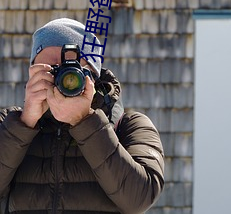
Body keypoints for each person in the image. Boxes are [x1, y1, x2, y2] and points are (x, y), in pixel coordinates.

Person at [0, 18, 164, 214]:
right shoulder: (9, 124)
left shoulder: (130, 126)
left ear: (93, 75)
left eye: (70, 71)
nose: (59, 80)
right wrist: (24, 124)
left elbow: (139, 199)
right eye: (49, 71)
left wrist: (85, 122)